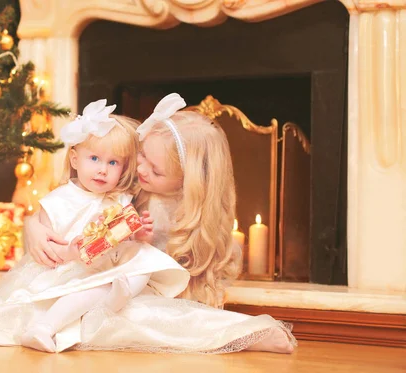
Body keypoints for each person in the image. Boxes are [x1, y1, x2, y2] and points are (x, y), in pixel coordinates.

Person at [21, 93, 296, 354]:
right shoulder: (127, 186)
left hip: (153, 295)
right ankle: (243, 334)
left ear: (188, 181)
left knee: (151, 317)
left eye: (156, 170)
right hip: (106, 284)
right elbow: (74, 203)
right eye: (141, 157)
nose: (140, 169)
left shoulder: (190, 213)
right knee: (123, 316)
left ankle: (245, 334)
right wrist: (32, 225)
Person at [0, 99, 189, 353]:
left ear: (122, 169)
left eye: (112, 163)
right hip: (72, 268)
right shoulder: (58, 201)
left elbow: (125, 241)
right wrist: (71, 252)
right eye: (95, 159)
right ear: (75, 160)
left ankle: (115, 300)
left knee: (145, 258)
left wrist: (140, 235)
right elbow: (44, 254)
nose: (102, 170)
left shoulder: (121, 199)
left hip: (110, 265)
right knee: (94, 286)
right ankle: (44, 327)